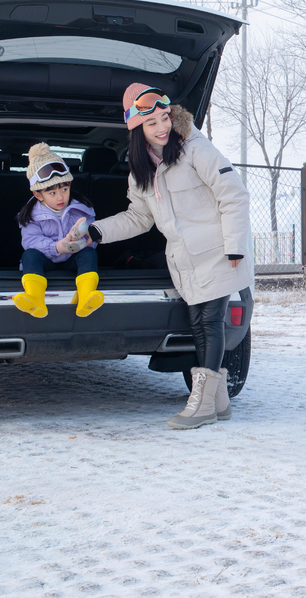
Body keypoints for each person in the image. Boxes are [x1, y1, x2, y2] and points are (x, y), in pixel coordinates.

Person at [88, 83, 254, 430]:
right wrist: (96, 231)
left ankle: (203, 403)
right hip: (185, 259)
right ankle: (220, 403)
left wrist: (235, 244)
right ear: (137, 130)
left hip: (220, 252)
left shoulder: (196, 149)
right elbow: (138, 217)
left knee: (210, 322)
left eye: (165, 118)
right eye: (153, 124)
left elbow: (234, 193)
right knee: (197, 324)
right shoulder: (142, 170)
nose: (163, 127)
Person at [14, 143, 104, 319]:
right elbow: (30, 241)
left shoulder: (82, 209)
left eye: (64, 189)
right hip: (45, 262)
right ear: (39, 195)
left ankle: (86, 295)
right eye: (52, 193)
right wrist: (58, 247)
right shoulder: (31, 215)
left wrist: (78, 241)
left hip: (73, 261)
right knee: (30, 255)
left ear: (70, 185)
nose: (61, 196)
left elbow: (93, 238)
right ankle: (35, 297)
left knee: (89, 254)